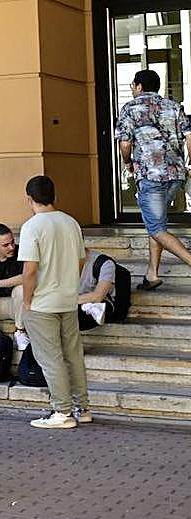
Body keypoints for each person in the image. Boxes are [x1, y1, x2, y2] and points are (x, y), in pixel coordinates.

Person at [17, 175, 90, 429]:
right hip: (68, 299)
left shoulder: (32, 227)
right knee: (73, 355)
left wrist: (27, 301)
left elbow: (30, 270)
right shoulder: (71, 223)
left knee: (50, 358)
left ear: (29, 199)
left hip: (42, 302)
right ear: (54, 196)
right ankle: (83, 407)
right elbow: (81, 260)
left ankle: (62, 411)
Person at [115, 68, 191, 291]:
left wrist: (127, 162)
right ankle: (152, 274)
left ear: (138, 86)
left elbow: (125, 144)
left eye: (132, 85)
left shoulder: (129, 108)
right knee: (156, 223)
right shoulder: (174, 106)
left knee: (156, 228)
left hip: (150, 176)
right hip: (175, 175)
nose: (132, 89)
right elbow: (189, 136)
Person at [77, 249, 119, 329]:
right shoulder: (57, 262)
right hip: (72, 304)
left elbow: (98, 296)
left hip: (98, 306)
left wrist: (67, 301)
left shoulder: (104, 263)